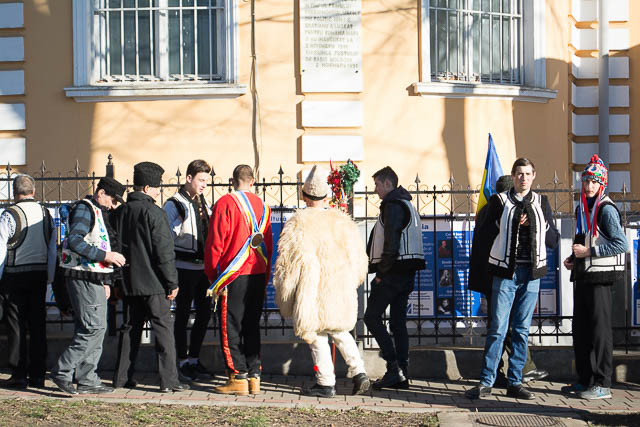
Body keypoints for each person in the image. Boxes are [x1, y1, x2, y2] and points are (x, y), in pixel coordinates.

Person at [465, 158, 559, 400]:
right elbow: (484, 235)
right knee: (498, 328)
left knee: (521, 330)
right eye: (519, 174)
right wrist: (513, 222)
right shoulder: (499, 201)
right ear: (513, 176)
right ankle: (486, 381)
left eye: (527, 174)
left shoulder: (541, 202)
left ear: (534, 176)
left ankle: (515, 382)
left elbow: (553, 240)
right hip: (506, 273)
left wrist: (537, 223)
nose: (523, 178)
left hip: (532, 274)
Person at [273, 166, 370, 398]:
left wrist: (286, 295)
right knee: (340, 330)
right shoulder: (342, 222)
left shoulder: (297, 223)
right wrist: (350, 281)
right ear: (326, 197)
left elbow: (288, 264)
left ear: (304, 196)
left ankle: (326, 383)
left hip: (313, 289)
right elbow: (359, 260)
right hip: (339, 287)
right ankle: (359, 373)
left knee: (316, 334)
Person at [111, 162, 189, 393]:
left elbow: (114, 247)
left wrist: (118, 280)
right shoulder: (155, 213)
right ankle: (169, 381)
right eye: (157, 187)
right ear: (147, 188)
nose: (158, 191)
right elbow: (164, 252)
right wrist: (172, 282)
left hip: (129, 282)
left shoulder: (120, 213)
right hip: (155, 284)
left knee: (129, 330)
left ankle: (121, 378)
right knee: (163, 330)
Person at [50, 177, 127, 395]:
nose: (114, 205)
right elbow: (75, 241)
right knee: (93, 328)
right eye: (113, 200)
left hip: (92, 278)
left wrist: (105, 280)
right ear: (101, 193)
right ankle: (63, 371)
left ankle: (88, 379)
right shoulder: (85, 209)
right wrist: (106, 256)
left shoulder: (95, 210)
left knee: (96, 328)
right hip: (82, 277)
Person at [562, 155, 627, 400]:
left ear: (602, 184)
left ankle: (603, 383)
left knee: (600, 332)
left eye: (594, 182)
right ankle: (585, 380)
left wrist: (589, 252)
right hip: (584, 276)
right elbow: (584, 239)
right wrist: (574, 258)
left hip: (601, 278)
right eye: (587, 181)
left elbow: (621, 244)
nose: (589, 186)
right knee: (581, 330)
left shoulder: (606, 209)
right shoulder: (582, 207)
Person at [204, 164, 273, 396]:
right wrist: (266, 275)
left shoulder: (225, 203)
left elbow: (215, 242)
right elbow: (268, 244)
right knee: (251, 325)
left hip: (233, 274)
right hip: (257, 272)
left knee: (230, 325)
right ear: (253, 181)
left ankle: (238, 376)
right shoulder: (264, 206)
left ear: (233, 181)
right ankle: (254, 376)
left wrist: (213, 276)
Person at [363, 166, 425, 390]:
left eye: (377, 185)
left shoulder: (393, 205)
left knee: (371, 317)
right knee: (398, 323)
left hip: (393, 272)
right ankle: (402, 373)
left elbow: (392, 242)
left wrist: (381, 274)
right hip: (406, 271)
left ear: (388, 184)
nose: (376, 190)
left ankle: (394, 368)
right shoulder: (406, 203)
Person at [0, 175, 56, 389]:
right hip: (39, 274)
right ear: (33, 191)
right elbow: (52, 249)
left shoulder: (10, 214)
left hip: (14, 276)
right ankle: (38, 374)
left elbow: (1, 249)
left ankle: (19, 373)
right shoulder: (46, 213)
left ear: (14, 193)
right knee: (38, 325)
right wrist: (50, 276)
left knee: (16, 326)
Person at [163, 160, 213, 382]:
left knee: (204, 314)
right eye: (201, 180)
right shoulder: (175, 204)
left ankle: (194, 358)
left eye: (206, 181)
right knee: (182, 315)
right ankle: (182, 361)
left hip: (203, 268)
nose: (204, 185)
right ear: (189, 178)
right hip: (183, 268)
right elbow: (164, 236)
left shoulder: (203, 202)